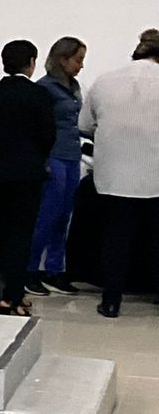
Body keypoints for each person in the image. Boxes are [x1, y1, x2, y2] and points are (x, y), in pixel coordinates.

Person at [80, 28, 159, 317]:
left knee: (116, 240)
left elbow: (85, 125)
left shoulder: (105, 81)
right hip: (156, 174)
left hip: (114, 175)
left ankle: (111, 301)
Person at [0, 39, 55, 316]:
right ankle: (11, 297)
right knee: (22, 234)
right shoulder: (39, 95)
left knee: (5, 229)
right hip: (27, 173)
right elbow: (48, 137)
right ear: (32, 62)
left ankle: (0, 290)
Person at [26, 36, 88, 294]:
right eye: (78, 60)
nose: (81, 65)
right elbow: (36, 127)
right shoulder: (44, 88)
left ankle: (55, 269)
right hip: (53, 156)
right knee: (47, 215)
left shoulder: (74, 87)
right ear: (63, 59)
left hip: (72, 156)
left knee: (64, 217)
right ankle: (30, 270)